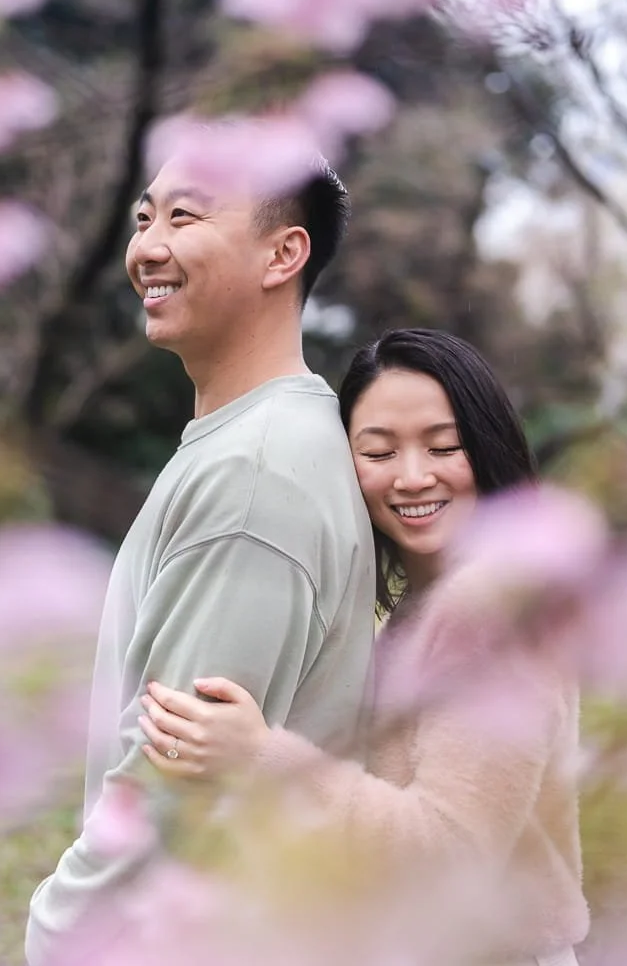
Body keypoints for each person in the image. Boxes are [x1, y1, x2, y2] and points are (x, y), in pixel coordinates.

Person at [24, 144, 377, 964]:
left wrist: (56, 937)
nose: (146, 244)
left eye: (185, 216)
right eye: (144, 216)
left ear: (284, 252)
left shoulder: (255, 477)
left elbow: (168, 799)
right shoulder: (264, 440)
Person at [138, 329, 590, 966]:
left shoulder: (487, 610)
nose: (412, 478)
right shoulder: (432, 601)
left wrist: (261, 756)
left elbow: (449, 853)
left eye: (444, 446)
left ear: (488, 446)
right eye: (377, 453)